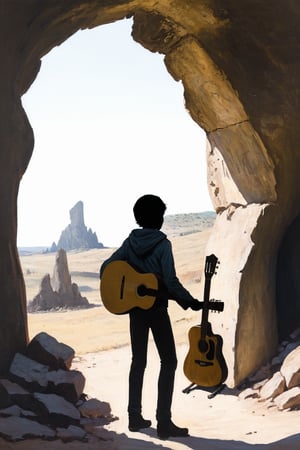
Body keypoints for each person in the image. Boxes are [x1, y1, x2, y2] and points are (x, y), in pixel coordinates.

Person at [100, 194, 202, 440]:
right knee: (169, 361)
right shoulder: (163, 244)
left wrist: (128, 282)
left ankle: (134, 417)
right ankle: (164, 423)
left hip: (135, 311)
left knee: (139, 361)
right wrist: (188, 300)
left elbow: (106, 268)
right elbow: (170, 281)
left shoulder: (131, 241)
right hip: (156, 309)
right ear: (158, 218)